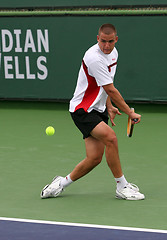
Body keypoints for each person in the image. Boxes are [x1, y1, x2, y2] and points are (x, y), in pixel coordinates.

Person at [41, 23, 145, 200]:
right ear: (98, 39)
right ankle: (122, 186)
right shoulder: (94, 57)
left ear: (116, 40)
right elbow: (111, 89)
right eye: (103, 41)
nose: (106, 45)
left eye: (110, 41)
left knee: (94, 158)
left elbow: (106, 85)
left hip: (98, 108)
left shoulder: (113, 53)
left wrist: (110, 106)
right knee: (111, 138)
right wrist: (130, 112)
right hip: (83, 110)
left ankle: (60, 183)